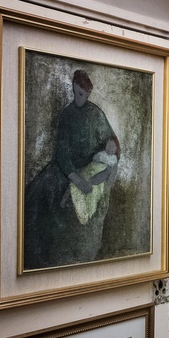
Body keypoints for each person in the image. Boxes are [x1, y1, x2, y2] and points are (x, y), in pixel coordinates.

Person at [24, 69, 119, 269]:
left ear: (88, 93)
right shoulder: (67, 114)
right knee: (40, 196)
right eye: (76, 93)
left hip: (91, 166)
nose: (78, 98)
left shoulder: (96, 114)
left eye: (82, 94)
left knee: (91, 196)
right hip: (66, 168)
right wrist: (75, 178)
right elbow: (61, 152)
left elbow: (112, 142)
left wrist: (111, 167)